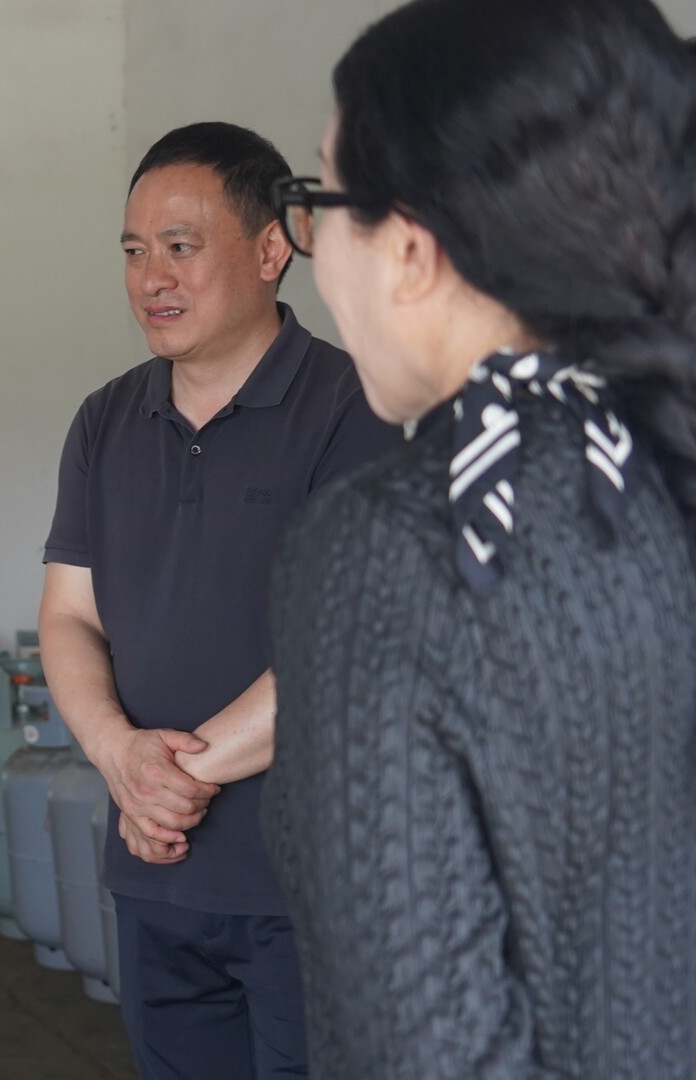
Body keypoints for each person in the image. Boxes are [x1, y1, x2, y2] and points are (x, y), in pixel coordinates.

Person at [261, 1, 696, 1076]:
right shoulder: (663, 468)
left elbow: (424, 1052)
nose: (317, 256)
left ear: (411, 250)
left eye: (320, 202)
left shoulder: (398, 549)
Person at [38, 123, 398, 1077]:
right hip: (158, 876)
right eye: (134, 251)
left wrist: (166, 784)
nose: (151, 277)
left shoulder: (359, 409)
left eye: (180, 246)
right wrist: (118, 756)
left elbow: (348, 647)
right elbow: (69, 615)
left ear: (271, 249)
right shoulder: (106, 421)